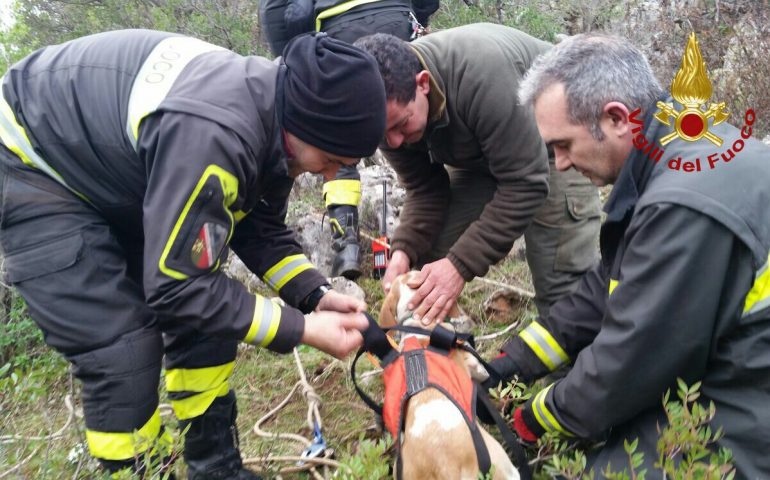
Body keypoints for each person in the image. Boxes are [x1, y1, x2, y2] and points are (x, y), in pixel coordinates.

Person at [0, 30, 386, 478]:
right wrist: (301, 329)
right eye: (334, 158)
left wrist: (315, 295)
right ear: (306, 127)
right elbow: (177, 287)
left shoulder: (280, 126)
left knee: (213, 309)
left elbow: (257, 228)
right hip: (33, 163)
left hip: (119, 169)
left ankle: (215, 466)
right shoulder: (217, 135)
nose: (333, 173)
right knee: (121, 350)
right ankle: (142, 471)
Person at [484, 33, 770, 477]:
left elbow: (628, 365)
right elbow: (610, 286)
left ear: (617, 118)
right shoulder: (678, 147)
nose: (558, 163)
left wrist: (528, 419)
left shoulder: (683, 204)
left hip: (750, 395)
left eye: (563, 145)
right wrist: (509, 365)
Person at [354, 24, 601, 324]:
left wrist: (458, 267)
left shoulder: (479, 75)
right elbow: (425, 189)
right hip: (482, 158)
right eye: (383, 134)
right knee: (425, 269)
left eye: (401, 125)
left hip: (554, 148)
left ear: (423, 84)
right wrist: (403, 251)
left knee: (563, 287)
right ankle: (440, 359)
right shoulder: (385, 118)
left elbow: (526, 184)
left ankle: (576, 365)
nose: (393, 142)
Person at [259, 0, 440, 279]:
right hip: (394, 19)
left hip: (335, 34)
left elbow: (275, 8)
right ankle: (434, 217)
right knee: (407, 114)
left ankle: (347, 246)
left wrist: (294, 56)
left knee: (339, 143)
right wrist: (418, 15)